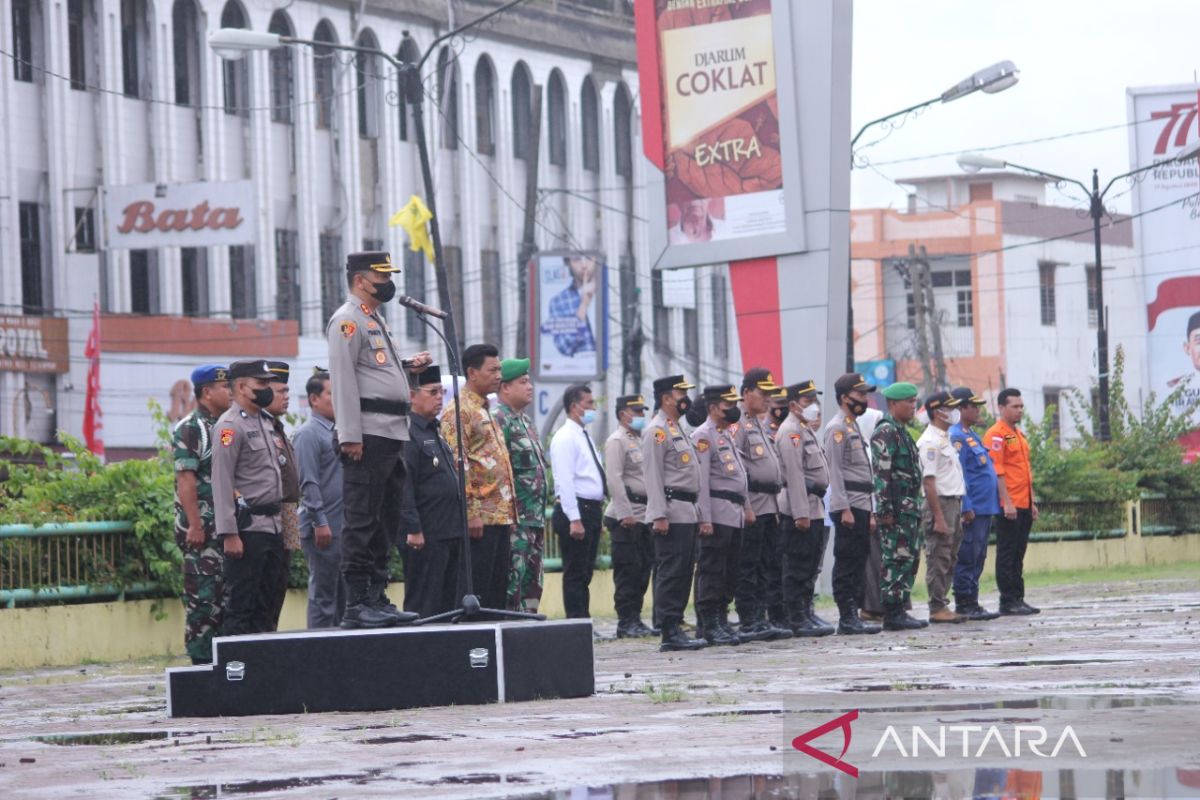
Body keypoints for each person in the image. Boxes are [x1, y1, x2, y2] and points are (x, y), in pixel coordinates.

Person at [326, 250, 426, 629]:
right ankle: (356, 603)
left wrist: (409, 368)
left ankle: (376, 596)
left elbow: (379, 374)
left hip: (391, 432)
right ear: (359, 281)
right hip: (367, 434)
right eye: (380, 277)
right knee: (362, 519)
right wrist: (349, 434)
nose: (387, 283)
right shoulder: (347, 321)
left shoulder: (373, 319)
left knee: (385, 519)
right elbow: (344, 381)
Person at [212, 360, 287, 636]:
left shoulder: (266, 422)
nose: (269, 389)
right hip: (248, 530)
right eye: (262, 384)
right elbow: (221, 481)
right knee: (241, 607)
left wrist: (290, 530)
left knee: (268, 605)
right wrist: (229, 533)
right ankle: (235, 673)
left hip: (276, 525)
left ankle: (262, 673)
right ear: (242, 387)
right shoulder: (230, 427)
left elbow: (284, 478)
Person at [441, 343, 515, 610]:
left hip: (499, 515)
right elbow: (458, 465)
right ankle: (473, 646)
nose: (498, 375)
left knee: (496, 591)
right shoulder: (459, 411)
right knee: (476, 591)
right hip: (479, 517)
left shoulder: (484, 409)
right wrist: (471, 512)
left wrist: (510, 513)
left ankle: (494, 645)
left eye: (500, 369)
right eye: (492, 370)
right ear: (472, 373)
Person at [171, 364, 231, 664]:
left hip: (225, 531)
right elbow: (186, 481)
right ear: (207, 392)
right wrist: (194, 524)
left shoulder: (224, 426)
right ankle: (201, 667)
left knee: (226, 604)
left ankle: (225, 667)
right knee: (203, 603)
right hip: (203, 533)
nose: (231, 392)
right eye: (225, 388)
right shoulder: (191, 428)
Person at [642, 375, 707, 652]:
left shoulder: (676, 429)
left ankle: (676, 625)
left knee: (682, 572)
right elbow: (653, 476)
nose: (686, 399)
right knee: (671, 572)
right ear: (667, 398)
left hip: (687, 511)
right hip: (670, 511)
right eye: (681, 394)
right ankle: (668, 629)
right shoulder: (656, 431)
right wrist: (658, 514)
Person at [731, 368, 791, 642]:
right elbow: (736, 470)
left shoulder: (758, 423)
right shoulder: (738, 424)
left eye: (770, 394)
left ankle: (761, 616)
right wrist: (745, 506)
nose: (768, 399)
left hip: (769, 504)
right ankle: (748, 618)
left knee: (767, 563)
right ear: (746, 393)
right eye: (762, 393)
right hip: (752, 504)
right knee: (749, 564)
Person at [401, 366, 464, 619]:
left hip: (448, 529)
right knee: (425, 600)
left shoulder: (434, 430)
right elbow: (405, 485)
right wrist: (413, 528)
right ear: (412, 395)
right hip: (426, 533)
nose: (440, 397)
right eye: (433, 392)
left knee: (447, 602)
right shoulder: (408, 433)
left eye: (442, 392)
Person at [691, 385, 750, 647]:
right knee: (712, 570)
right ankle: (708, 622)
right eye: (728, 404)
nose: (733, 409)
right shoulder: (703, 435)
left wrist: (747, 507)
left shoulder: (726, 435)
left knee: (730, 570)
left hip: (734, 512)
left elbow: (739, 475)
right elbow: (701, 480)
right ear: (713, 407)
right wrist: (704, 517)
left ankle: (721, 618)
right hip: (716, 512)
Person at [776, 379, 835, 637]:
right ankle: (796, 616)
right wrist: (800, 512)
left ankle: (806, 611)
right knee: (797, 564)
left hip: (814, 505)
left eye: (815, 400)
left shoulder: (804, 429)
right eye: (807, 401)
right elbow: (794, 474)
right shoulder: (790, 431)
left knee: (810, 564)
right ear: (793, 405)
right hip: (799, 508)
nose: (813, 405)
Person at [492, 358, 551, 612]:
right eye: (523, 382)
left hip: (534, 519)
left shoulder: (525, 422)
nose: (530, 387)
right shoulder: (499, 420)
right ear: (505, 387)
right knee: (511, 581)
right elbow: (499, 472)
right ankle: (510, 627)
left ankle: (529, 623)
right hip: (516, 520)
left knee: (533, 580)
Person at [824, 372, 881, 635]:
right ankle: (846, 616)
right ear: (845, 397)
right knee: (847, 561)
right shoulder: (836, 428)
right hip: (848, 505)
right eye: (859, 395)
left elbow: (866, 472)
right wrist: (843, 507)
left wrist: (869, 510)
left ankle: (854, 613)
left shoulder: (853, 425)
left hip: (861, 503)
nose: (864, 399)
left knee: (858, 560)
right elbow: (834, 471)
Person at [869, 382, 929, 632]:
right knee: (895, 559)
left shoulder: (902, 431)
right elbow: (881, 476)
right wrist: (884, 511)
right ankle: (892, 612)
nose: (913, 406)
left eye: (915, 401)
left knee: (909, 559)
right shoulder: (886, 431)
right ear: (893, 404)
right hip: (895, 508)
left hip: (909, 507)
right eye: (908, 402)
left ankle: (901, 608)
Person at [549, 384, 607, 622]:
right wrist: (574, 518)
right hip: (576, 510)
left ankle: (583, 618)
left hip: (590, 510)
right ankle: (576, 620)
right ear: (574, 407)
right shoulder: (565, 437)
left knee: (585, 572)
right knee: (575, 572)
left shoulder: (583, 436)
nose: (593, 408)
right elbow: (565, 481)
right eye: (589, 404)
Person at [294, 368, 346, 629]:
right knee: (323, 596)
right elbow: (308, 482)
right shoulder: (309, 434)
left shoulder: (338, 431)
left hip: (341, 526)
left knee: (342, 597)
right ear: (314, 399)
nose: (338, 399)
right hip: (323, 529)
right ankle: (317, 647)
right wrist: (320, 522)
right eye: (331, 394)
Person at [604, 393, 657, 639]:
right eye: (636, 411)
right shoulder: (617, 440)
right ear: (623, 414)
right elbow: (614, 478)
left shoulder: (640, 440)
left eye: (641, 411)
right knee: (628, 571)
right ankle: (626, 621)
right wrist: (625, 513)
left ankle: (635, 618)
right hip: (626, 517)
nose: (640, 416)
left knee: (643, 570)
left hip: (644, 515)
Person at [916, 391, 969, 624]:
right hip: (940, 503)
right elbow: (929, 482)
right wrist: (938, 516)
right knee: (939, 555)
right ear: (938, 411)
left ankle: (943, 603)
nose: (956, 412)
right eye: (951, 407)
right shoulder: (929, 442)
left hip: (953, 502)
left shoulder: (944, 438)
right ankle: (936, 606)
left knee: (950, 555)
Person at [986, 388, 1040, 615]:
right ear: (1001, 408)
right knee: (1007, 553)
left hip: (1023, 501)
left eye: (1021, 406)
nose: (1019, 410)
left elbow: (1023, 468)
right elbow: (997, 470)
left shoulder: (1013, 434)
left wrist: (1032, 500)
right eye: (1014, 406)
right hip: (1009, 504)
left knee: (1019, 553)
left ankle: (1018, 597)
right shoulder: (996, 434)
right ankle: (1007, 600)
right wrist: (1006, 502)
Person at [948, 387, 1001, 621]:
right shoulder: (957, 436)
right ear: (961, 408)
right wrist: (966, 506)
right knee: (968, 554)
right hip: (974, 508)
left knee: (979, 556)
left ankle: (973, 600)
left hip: (985, 507)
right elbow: (960, 476)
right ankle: (964, 602)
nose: (978, 410)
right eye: (973, 406)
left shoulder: (970, 434)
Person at [263, 361, 300, 631]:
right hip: (266, 517)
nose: (286, 397)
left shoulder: (278, 428)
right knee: (263, 588)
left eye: (288, 392)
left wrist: (292, 533)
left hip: (288, 512)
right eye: (280, 392)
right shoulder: (259, 428)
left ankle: (270, 638)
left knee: (280, 582)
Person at [543, 255, 598, 358]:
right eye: (577, 260)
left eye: (589, 258)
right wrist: (584, 305)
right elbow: (565, 347)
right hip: (585, 368)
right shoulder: (559, 301)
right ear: (568, 263)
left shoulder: (611, 290)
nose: (584, 265)